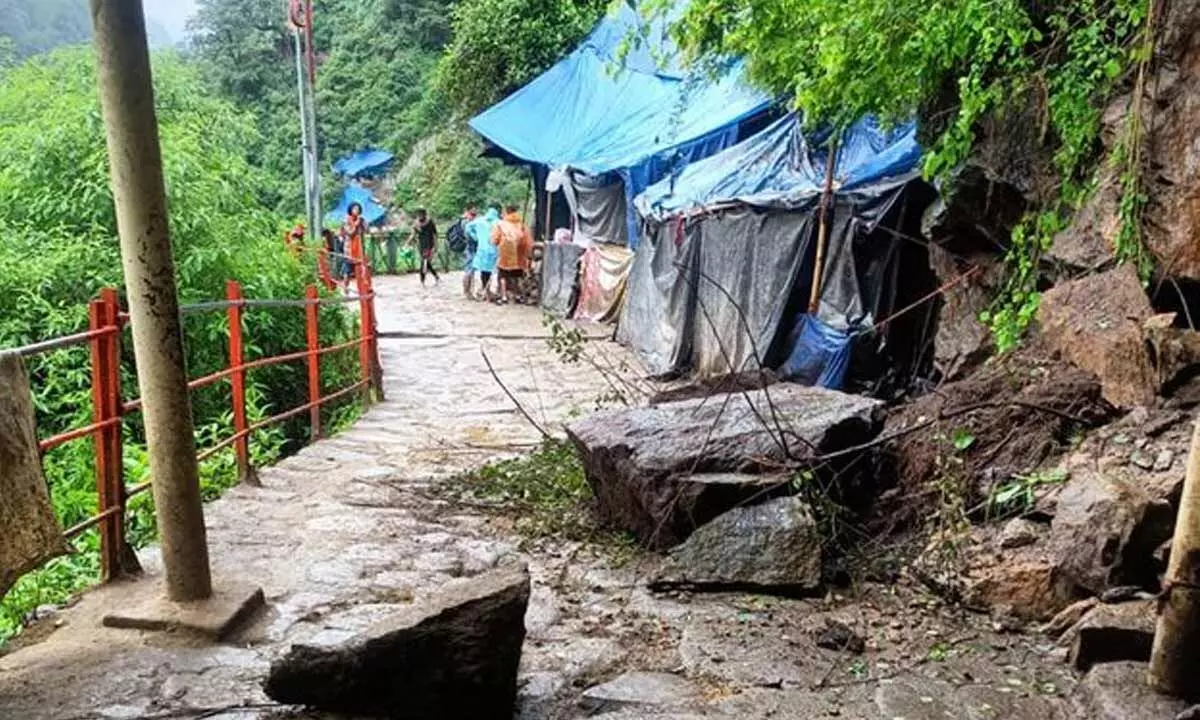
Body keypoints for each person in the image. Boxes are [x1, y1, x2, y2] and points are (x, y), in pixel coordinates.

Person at [491, 204, 532, 305]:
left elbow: (495, 239)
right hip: (520, 254)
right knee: (517, 275)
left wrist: (496, 243)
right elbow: (528, 240)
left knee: (503, 275)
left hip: (505, 253)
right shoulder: (522, 224)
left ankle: (504, 296)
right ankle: (518, 295)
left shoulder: (501, 224)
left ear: (506, 212)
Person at [470, 206, 500, 301]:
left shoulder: (479, 221)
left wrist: (475, 236)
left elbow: (468, 227)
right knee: (492, 272)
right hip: (494, 249)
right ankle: (488, 291)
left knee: (482, 271)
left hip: (482, 249)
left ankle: (483, 290)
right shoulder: (499, 222)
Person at [453, 204, 479, 298]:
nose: (475, 212)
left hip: (468, 248)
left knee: (470, 270)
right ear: (468, 210)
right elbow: (468, 235)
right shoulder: (466, 221)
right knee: (469, 270)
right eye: (473, 210)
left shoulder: (464, 220)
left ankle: (469, 292)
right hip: (469, 248)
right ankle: (466, 292)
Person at [342, 202, 368, 287]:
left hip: (359, 247)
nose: (356, 211)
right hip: (349, 248)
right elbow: (350, 233)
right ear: (350, 210)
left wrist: (363, 223)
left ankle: (362, 288)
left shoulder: (361, 220)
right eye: (354, 209)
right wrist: (355, 225)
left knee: (361, 268)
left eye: (358, 209)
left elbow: (365, 231)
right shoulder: (346, 220)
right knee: (348, 270)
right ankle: (346, 287)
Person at [412, 208, 439, 286]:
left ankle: (422, 280)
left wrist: (436, 245)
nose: (419, 216)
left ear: (424, 214)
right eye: (418, 214)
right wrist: (408, 242)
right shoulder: (416, 223)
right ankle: (436, 276)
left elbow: (435, 234)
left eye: (421, 214)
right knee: (426, 263)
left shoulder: (430, 222)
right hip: (421, 245)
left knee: (423, 262)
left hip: (429, 244)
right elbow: (413, 234)